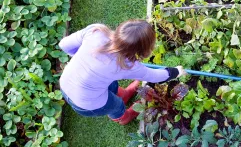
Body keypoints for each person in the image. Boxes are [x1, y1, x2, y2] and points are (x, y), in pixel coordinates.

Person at [58, 20, 186, 125]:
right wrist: (176, 71)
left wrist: (84, 60)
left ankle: (124, 94)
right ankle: (124, 117)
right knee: (116, 105)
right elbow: (156, 76)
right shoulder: (127, 66)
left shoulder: (96, 31)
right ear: (142, 50)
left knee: (111, 84)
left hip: (65, 83)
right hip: (85, 103)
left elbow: (64, 45)